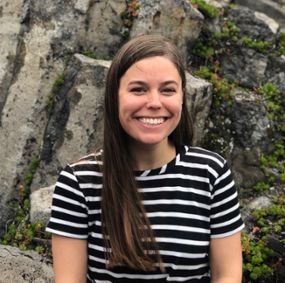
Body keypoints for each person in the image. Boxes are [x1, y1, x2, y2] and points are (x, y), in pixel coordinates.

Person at [46, 34, 244, 283]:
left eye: (168, 90)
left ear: (182, 96)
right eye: (138, 89)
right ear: (114, 96)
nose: (154, 102)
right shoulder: (79, 182)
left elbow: (227, 274)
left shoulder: (211, 174)